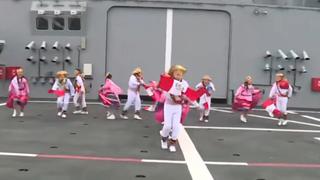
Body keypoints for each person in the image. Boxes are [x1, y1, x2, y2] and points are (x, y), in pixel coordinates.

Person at [159, 65, 189, 152]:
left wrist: (186, 99)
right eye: (177, 74)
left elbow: (187, 94)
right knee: (168, 126)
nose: (179, 76)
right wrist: (175, 96)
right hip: (168, 106)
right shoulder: (169, 83)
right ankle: (164, 139)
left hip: (177, 107)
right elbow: (166, 94)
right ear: (173, 74)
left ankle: (172, 143)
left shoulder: (184, 83)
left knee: (176, 126)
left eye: (181, 74)